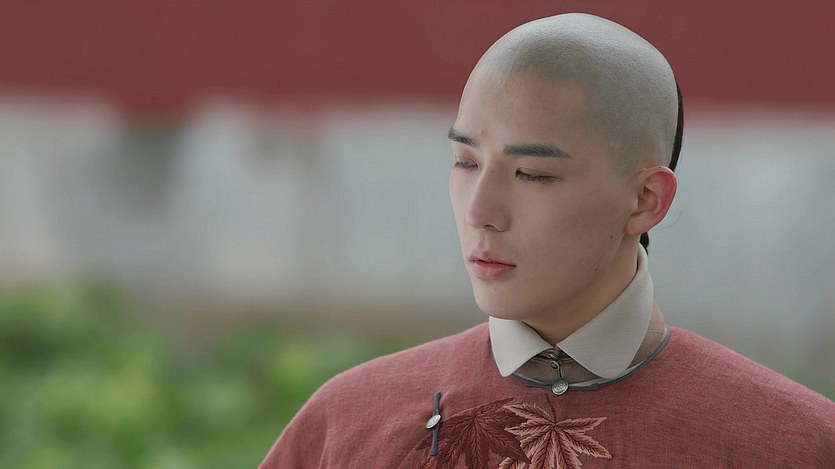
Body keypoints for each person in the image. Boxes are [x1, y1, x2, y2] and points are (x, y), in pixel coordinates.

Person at [261, 13, 835, 468]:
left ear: (646, 200)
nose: (480, 212)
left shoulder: (794, 443)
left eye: (532, 173)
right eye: (465, 161)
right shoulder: (347, 422)